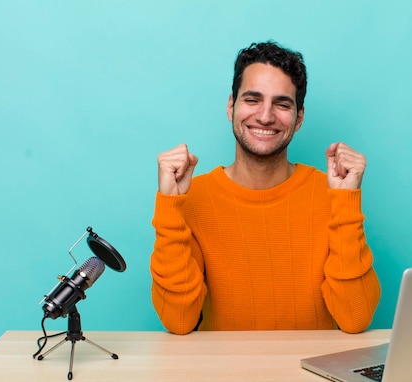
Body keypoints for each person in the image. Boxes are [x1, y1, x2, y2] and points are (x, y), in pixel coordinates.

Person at [150, 41, 380, 335]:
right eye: (252, 99)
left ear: (299, 118)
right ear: (231, 106)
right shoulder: (192, 197)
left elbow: (355, 318)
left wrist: (346, 200)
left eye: (282, 104)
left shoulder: (331, 193)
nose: (265, 116)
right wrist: (169, 206)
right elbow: (178, 320)